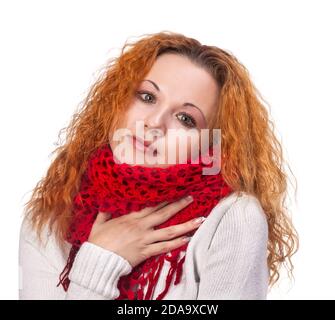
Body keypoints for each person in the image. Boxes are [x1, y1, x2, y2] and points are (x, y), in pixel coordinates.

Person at [19, 31, 298, 300]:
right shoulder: (54, 209)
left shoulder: (233, 217)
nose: (154, 123)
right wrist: (101, 254)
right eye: (147, 97)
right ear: (116, 101)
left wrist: (96, 264)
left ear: (210, 145)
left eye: (186, 119)